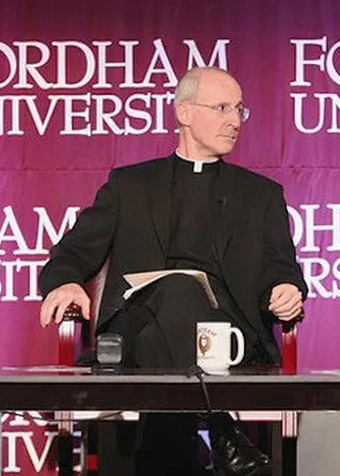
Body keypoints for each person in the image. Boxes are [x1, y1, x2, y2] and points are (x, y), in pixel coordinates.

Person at [39, 67, 307, 476]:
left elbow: (282, 267)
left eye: (239, 109)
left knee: (169, 319)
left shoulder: (261, 195)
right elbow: (71, 253)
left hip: (226, 335)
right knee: (177, 291)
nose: (234, 121)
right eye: (221, 108)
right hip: (136, 327)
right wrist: (66, 283)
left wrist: (287, 287)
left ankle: (168, 457)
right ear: (184, 112)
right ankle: (223, 431)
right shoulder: (130, 186)